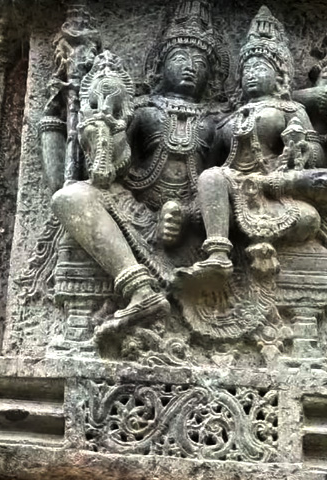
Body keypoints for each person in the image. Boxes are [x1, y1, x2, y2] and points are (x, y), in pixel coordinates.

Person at [50, 0, 227, 337]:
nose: (190, 67)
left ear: (213, 73)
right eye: (179, 59)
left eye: (199, 61)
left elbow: (227, 181)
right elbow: (110, 173)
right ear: (158, 68)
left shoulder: (218, 122)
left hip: (193, 229)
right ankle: (140, 289)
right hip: (136, 216)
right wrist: (103, 128)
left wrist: (187, 216)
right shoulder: (143, 110)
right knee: (69, 197)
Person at [180, 6, 327, 282]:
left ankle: (262, 238)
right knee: (210, 177)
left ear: (280, 75)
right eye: (246, 69)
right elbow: (208, 168)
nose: (251, 74)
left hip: (276, 191)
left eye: (260, 67)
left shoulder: (290, 109)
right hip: (235, 191)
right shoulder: (225, 120)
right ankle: (218, 253)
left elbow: (316, 158)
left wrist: (301, 151)